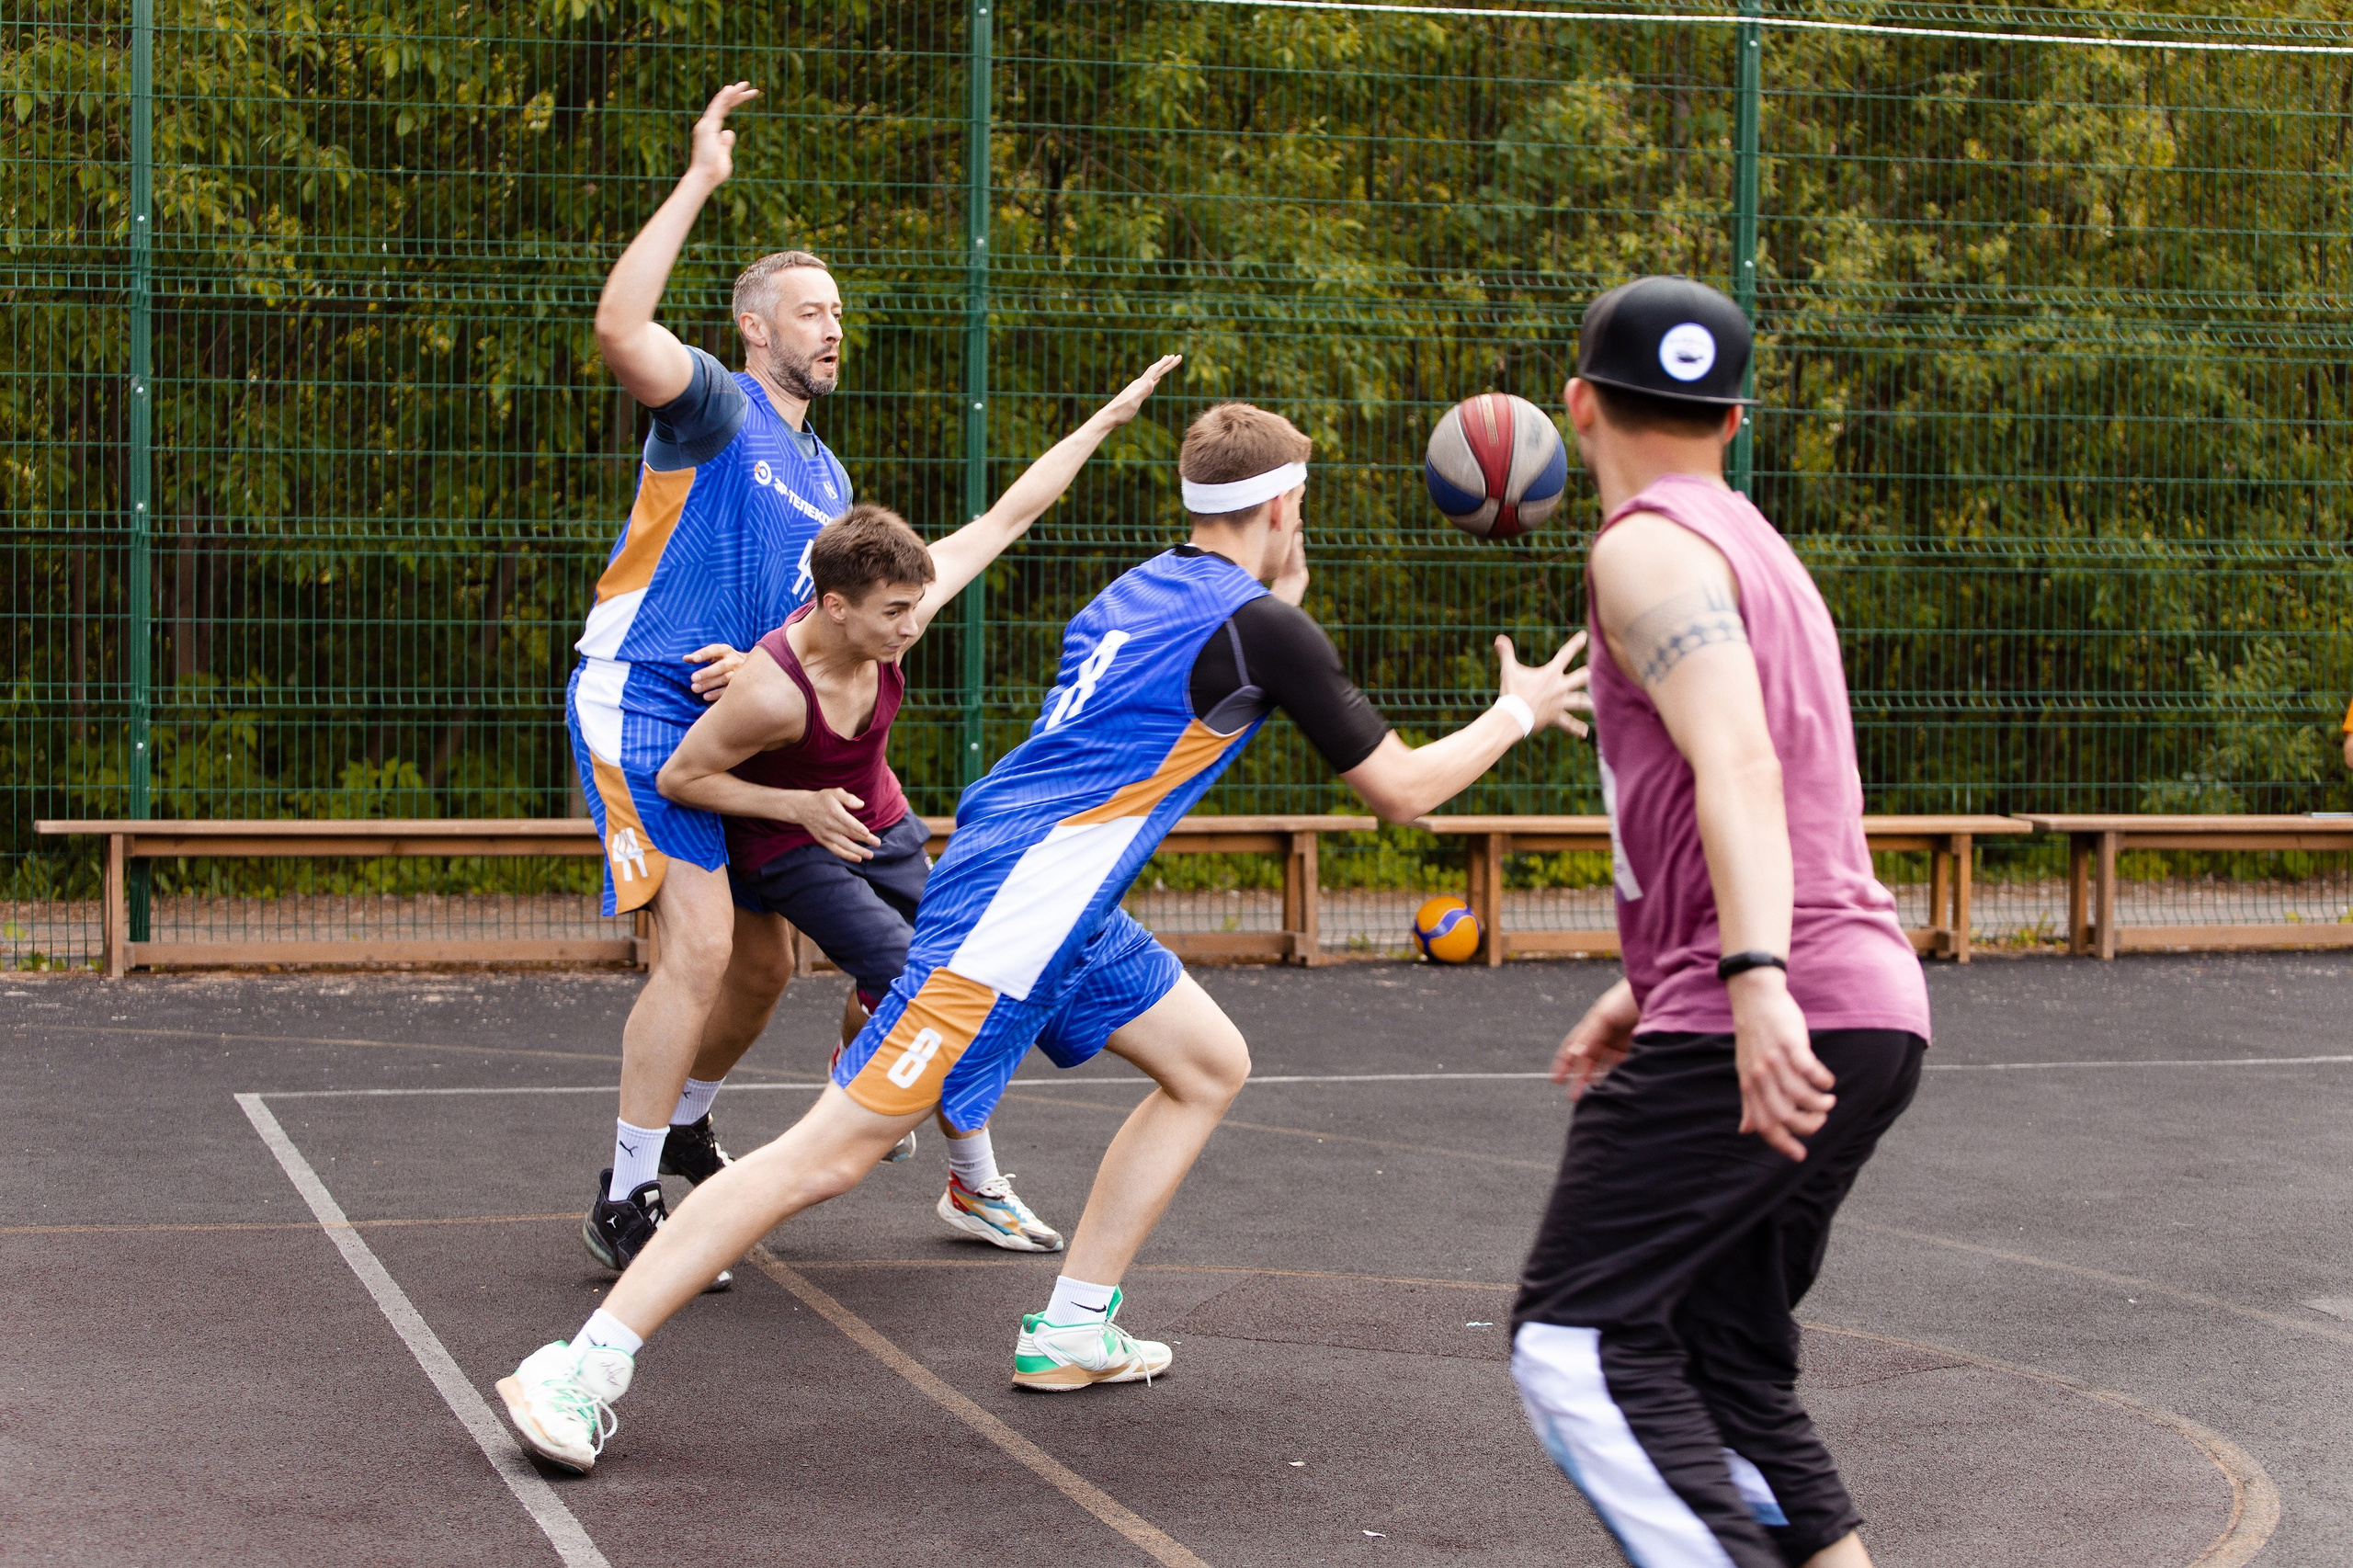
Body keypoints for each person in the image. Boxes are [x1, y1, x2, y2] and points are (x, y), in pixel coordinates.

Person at [495, 399, 1593, 1472]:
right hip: (1018, 908)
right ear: (1284, 502)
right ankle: (579, 1367)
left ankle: (1074, 1325)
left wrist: (1277, 588)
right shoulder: (1261, 628)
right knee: (826, 1153)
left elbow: (1212, 662)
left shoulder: (1144, 589)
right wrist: (1516, 710)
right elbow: (1401, 789)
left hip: (1055, 890)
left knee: (1208, 1062)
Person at [1507, 277, 1932, 1568]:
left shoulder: (1639, 547)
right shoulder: (1761, 547)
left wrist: (1747, 974)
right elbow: (1815, 787)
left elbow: (1741, 762)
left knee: (1575, 1340)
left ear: (1578, 402)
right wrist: (1661, 976)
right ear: (1734, 418)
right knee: (1727, 1364)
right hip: (1867, 1002)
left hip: (1777, 997)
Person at [652, 356, 1185, 1255]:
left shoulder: (898, 611)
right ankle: (958, 1171)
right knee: (918, 977)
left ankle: (888, 1089)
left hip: (881, 822)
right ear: (832, 606)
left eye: (914, 606)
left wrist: (1106, 419)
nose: (910, 627)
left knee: (970, 964)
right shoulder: (772, 691)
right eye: (894, 612)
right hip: (791, 845)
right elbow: (682, 779)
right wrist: (798, 805)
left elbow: (1012, 513)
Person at [566, 82, 858, 1288]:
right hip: (637, 693)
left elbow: (815, 627)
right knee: (694, 945)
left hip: (732, 724)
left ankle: (683, 1120)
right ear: (754, 327)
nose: (833, 328)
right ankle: (624, 1192)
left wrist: (773, 660)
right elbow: (620, 325)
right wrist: (698, 180)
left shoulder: (832, 474)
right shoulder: (714, 405)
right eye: (811, 312)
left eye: (839, 312)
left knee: (766, 963)